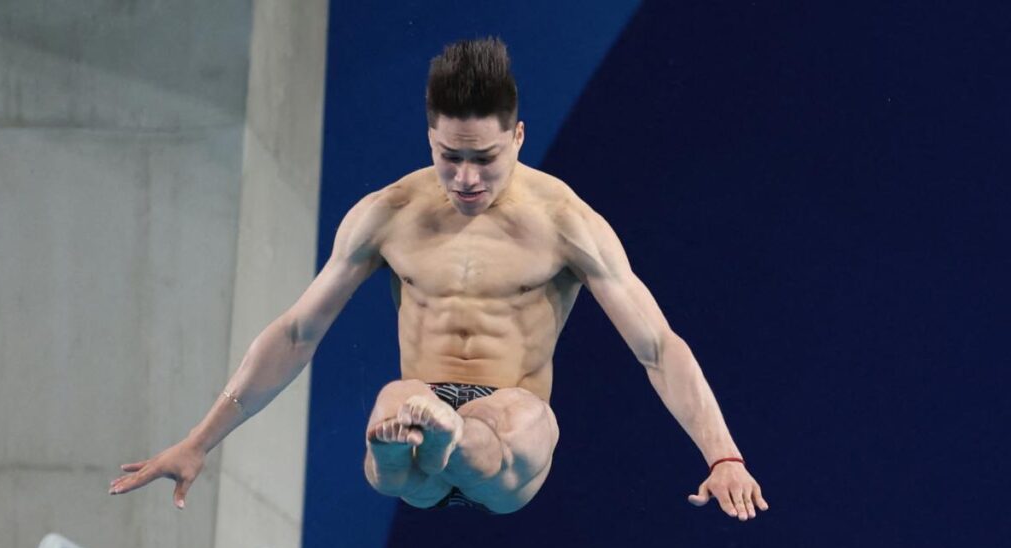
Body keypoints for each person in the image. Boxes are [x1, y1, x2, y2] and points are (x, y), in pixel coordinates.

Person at [109, 37, 768, 519]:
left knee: (514, 419)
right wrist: (199, 443)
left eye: (483, 159)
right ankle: (420, 441)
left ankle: (444, 438)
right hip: (419, 415)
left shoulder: (565, 221)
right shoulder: (389, 214)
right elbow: (296, 334)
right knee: (397, 405)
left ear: (517, 138)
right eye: (449, 158)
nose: (466, 179)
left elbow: (657, 348)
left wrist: (724, 454)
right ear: (429, 140)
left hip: (511, 435)